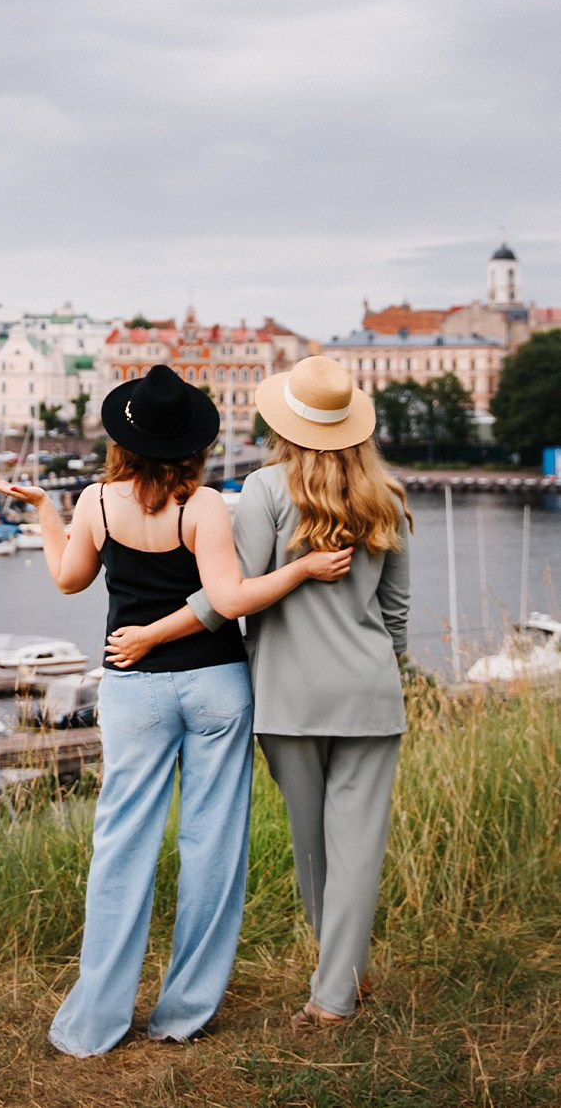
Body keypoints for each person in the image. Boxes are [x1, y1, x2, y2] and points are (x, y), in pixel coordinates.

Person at [0, 363, 351, 1053]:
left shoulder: (95, 501)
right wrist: (303, 569)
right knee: (212, 845)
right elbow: (231, 600)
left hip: (134, 688)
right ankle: (183, 1015)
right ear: (194, 444)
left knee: (122, 846)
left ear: (122, 439)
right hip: (216, 684)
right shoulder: (205, 505)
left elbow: (68, 579)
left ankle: (95, 1024)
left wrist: (45, 511)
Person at [127, 354, 412, 1030]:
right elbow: (397, 618)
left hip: (288, 699)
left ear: (287, 424)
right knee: (357, 849)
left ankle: (334, 994)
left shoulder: (265, 490)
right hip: (369, 694)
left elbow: (229, 597)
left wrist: (152, 634)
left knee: (313, 846)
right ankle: (342, 977)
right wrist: (374, 665)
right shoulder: (389, 497)